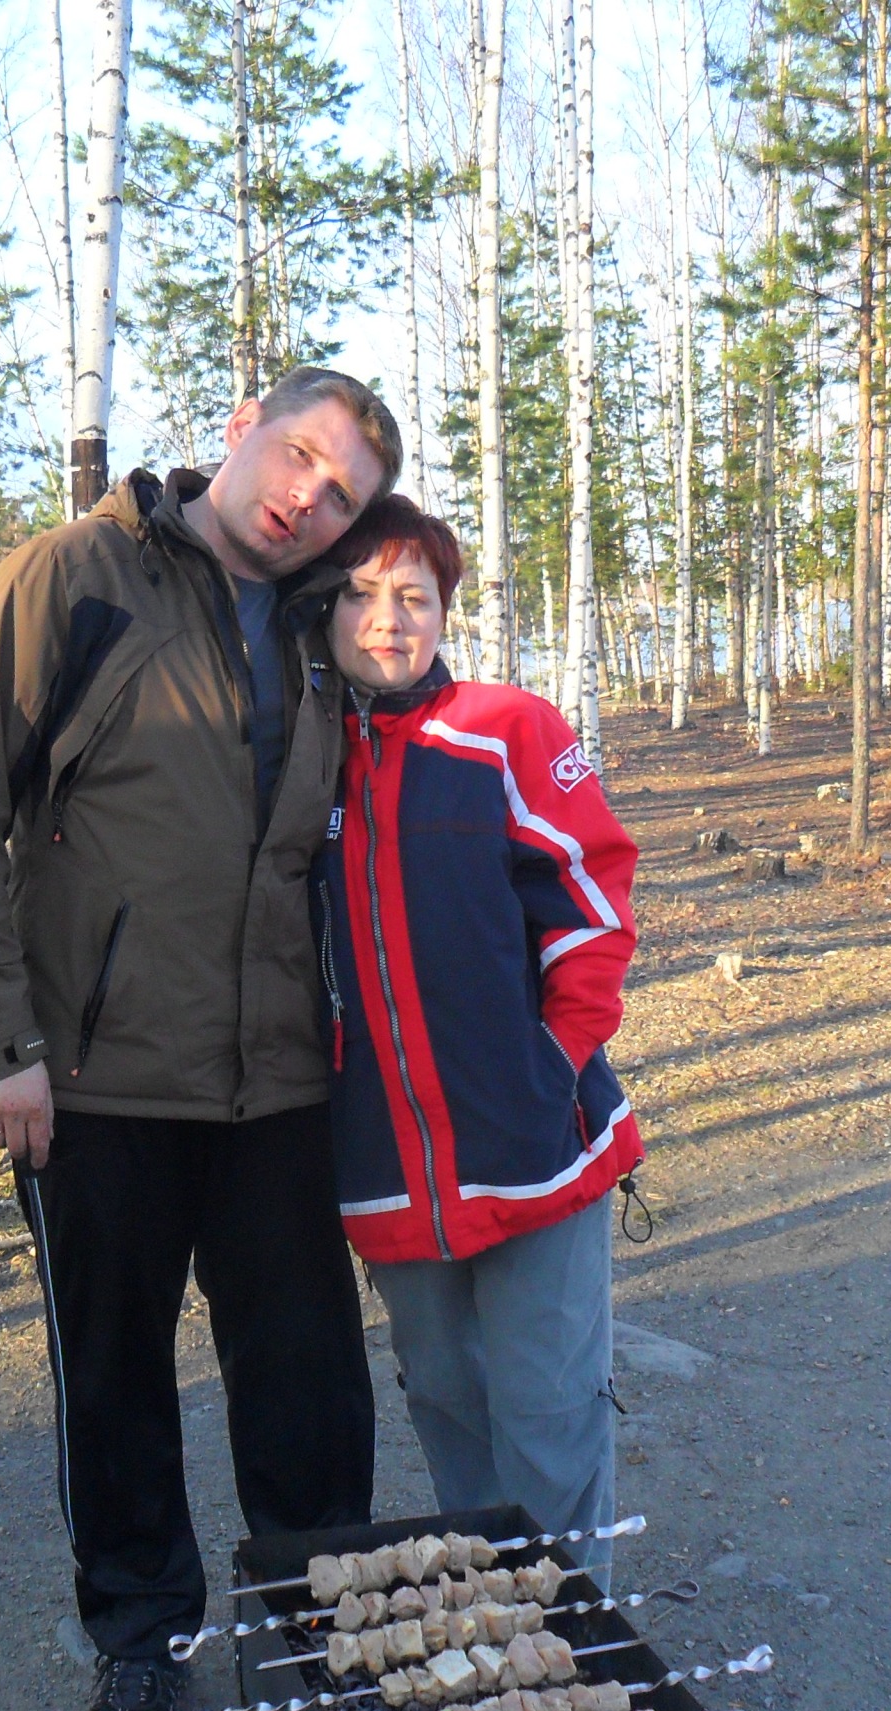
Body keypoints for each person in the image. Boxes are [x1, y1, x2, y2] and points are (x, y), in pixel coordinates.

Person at [0, 367, 401, 1711]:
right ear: (241, 429)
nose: (307, 499)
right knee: (114, 1380)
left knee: (308, 1384)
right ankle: (139, 1637)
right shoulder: (76, 578)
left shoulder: (324, 624)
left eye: (341, 495)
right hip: (95, 1082)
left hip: (280, 1083)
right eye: (298, 456)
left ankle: (323, 1634)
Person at [314, 495, 643, 1589]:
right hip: (381, 1163)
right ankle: (499, 1617)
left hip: (533, 1146)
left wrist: (549, 1063)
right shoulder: (298, 766)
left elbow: (591, 904)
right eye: (360, 594)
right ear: (323, 609)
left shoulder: (507, 730)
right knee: (448, 1400)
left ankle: (574, 1635)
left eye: (414, 596)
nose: (387, 619)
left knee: (549, 1409)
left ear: (445, 612)